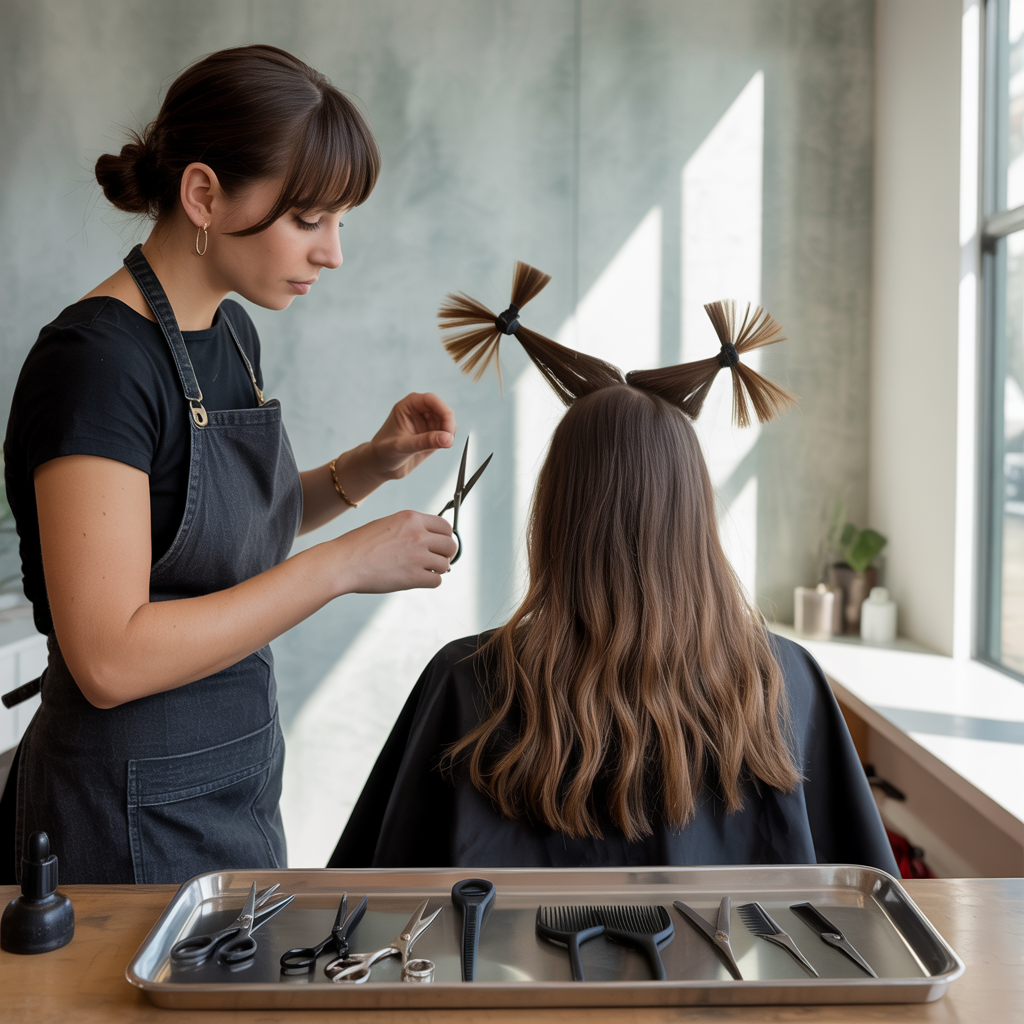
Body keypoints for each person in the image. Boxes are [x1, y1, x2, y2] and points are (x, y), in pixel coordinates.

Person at [1, 45, 459, 884]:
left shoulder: (230, 335)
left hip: (232, 785)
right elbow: (109, 659)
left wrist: (366, 467)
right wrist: (347, 565)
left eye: (339, 222)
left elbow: (216, 531)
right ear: (204, 194)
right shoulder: (95, 364)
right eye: (308, 218)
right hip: (121, 810)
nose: (332, 254)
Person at [328, 267, 899, 874]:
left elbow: (372, 906)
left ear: (554, 515)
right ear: (695, 515)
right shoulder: (784, 678)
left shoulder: (466, 683)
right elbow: (867, 910)